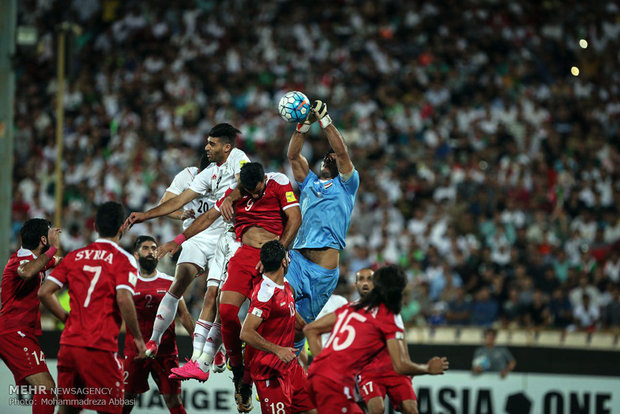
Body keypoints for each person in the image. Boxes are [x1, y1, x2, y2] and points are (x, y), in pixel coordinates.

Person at [157, 162, 302, 411]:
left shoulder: (278, 182)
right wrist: (179, 240)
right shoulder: (235, 192)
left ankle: (258, 378)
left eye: (257, 191)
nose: (254, 196)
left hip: (270, 258)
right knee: (225, 312)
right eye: (249, 192)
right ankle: (238, 373)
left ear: (263, 180)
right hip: (244, 255)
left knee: (275, 321)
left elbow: (295, 219)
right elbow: (207, 218)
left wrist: (279, 252)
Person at [125, 123, 250, 361]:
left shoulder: (238, 159)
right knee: (180, 280)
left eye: (211, 144)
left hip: (225, 238)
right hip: (198, 235)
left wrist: (231, 196)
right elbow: (177, 201)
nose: (206, 149)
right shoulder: (202, 173)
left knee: (219, 297)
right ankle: (154, 339)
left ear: (225, 147)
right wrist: (146, 214)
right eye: (206, 145)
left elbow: (243, 183)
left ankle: (216, 352)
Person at [38, 202, 147, 414]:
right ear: (122, 228)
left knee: (69, 409)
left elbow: (44, 292)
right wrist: (138, 338)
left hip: (69, 345)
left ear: (95, 226)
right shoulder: (124, 260)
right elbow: (124, 299)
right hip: (100, 348)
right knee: (112, 409)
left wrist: (66, 318)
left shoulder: (74, 256)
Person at [304, 265, 449, 413]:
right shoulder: (385, 316)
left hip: (319, 374)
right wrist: (428, 369)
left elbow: (310, 329)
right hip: (334, 382)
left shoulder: (351, 308)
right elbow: (400, 366)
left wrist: (320, 362)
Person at [283, 100, 360, 350]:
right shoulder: (309, 183)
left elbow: (343, 153)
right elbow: (293, 155)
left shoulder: (347, 186)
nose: (329, 158)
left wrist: (325, 121)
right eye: (326, 157)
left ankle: (290, 370)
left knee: (299, 331)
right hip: (297, 261)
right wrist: (304, 124)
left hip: (323, 273)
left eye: (332, 157)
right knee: (278, 301)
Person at [240, 240, 315, 414]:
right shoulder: (264, 293)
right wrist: (277, 350)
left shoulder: (285, 285)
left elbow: (290, 313)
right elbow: (246, 332)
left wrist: (309, 330)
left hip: (291, 369)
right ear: (284, 261)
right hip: (270, 373)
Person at [123, 236, 195, 414]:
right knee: (125, 402)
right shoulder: (127, 283)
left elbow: (184, 314)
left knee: (174, 401)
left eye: (154, 248)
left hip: (165, 352)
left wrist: (197, 339)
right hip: (135, 352)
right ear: (136, 255)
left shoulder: (170, 282)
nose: (151, 252)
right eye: (146, 248)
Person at [0, 219, 63, 414]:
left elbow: (64, 262)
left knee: (46, 389)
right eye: (52, 233)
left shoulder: (36, 260)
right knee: (46, 388)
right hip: (13, 332)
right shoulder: (21, 260)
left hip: (22, 332)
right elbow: (27, 272)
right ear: (44, 239)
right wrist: (53, 248)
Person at [169, 226, 239, 380]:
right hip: (223, 240)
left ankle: (206, 361)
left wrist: (179, 239)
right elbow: (209, 215)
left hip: (241, 241)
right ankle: (195, 360)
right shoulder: (224, 202)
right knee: (210, 295)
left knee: (223, 300)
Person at [355, 268, 419, 414]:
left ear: (377, 284)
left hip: (393, 367)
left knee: (411, 409)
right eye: (361, 279)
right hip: (368, 370)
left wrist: (407, 363)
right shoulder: (351, 309)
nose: (365, 283)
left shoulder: (390, 308)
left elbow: (400, 337)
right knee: (376, 409)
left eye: (369, 279)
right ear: (355, 284)